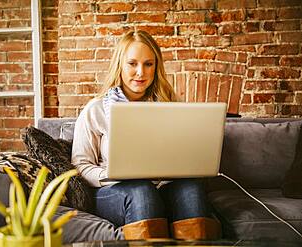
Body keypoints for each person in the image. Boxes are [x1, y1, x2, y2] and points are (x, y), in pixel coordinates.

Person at [71, 30, 221, 240]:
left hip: (162, 187)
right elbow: (80, 166)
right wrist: (112, 175)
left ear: (156, 67)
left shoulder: (171, 107)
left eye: (148, 64)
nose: (140, 72)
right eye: (132, 64)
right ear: (120, 65)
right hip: (115, 191)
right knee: (141, 190)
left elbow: (183, 154)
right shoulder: (95, 109)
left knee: (190, 189)